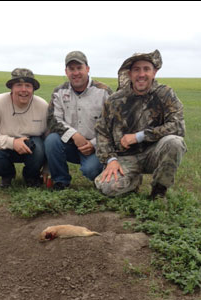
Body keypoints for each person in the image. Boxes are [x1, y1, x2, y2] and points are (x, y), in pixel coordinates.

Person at [94, 49, 187, 199]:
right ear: (130, 74)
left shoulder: (165, 94)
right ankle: (133, 180)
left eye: (146, 69)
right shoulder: (114, 100)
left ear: (154, 72)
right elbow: (102, 132)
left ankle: (158, 191)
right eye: (136, 69)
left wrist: (140, 136)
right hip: (125, 157)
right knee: (107, 188)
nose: (141, 74)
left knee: (175, 142)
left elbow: (178, 126)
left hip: (153, 153)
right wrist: (111, 160)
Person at [44, 51, 113, 190]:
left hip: (96, 146)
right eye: (71, 69)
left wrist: (93, 144)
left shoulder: (104, 92)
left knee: (91, 170)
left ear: (87, 69)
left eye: (79, 68)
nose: (75, 73)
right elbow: (53, 119)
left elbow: (112, 125)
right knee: (51, 140)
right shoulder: (59, 92)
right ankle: (61, 181)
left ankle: (99, 173)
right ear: (66, 71)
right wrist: (74, 135)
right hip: (69, 144)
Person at [0, 68, 48, 188]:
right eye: (18, 85)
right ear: (11, 87)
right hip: (4, 146)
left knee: (40, 147)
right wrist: (13, 142)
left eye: (28, 85)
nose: (23, 90)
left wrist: (48, 167)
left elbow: (49, 137)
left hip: (31, 147)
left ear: (33, 89)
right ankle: (7, 175)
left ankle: (31, 176)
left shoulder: (42, 105)